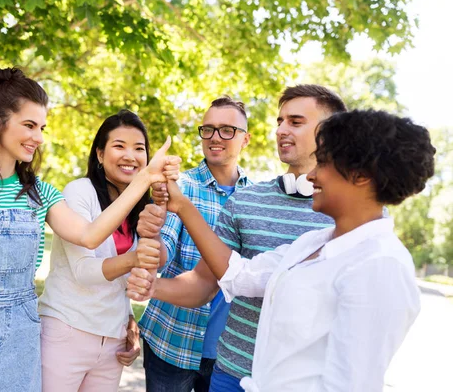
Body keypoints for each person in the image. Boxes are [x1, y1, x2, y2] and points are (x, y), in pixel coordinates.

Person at [0, 67, 179, 392]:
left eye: (42, 127)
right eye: (29, 125)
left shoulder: (40, 194)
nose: (39, 138)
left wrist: (145, 179)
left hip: (20, 349)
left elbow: (90, 234)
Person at [131, 109, 435, 391]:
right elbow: (239, 275)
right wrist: (181, 206)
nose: (312, 175)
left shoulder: (381, 266)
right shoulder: (312, 244)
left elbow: (348, 384)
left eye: (324, 162)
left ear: (361, 176)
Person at [135, 84, 345, 390]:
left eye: (295, 122)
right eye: (280, 121)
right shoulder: (245, 202)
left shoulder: (349, 211)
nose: (281, 130)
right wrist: (150, 266)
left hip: (301, 378)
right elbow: (204, 280)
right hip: (220, 365)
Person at [38, 109, 178, 391]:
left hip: (113, 343)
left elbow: (128, 279)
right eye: (119, 146)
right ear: (100, 155)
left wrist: (128, 322)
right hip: (66, 333)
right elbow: (84, 271)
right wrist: (134, 259)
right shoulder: (80, 192)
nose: (130, 155)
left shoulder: (140, 207)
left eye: (139, 148)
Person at [138, 96, 252, 392]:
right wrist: (152, 246)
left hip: (228, 354)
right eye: (208, 129)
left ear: (246, 139)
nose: (215, 137)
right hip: (172, 339)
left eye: (227, 130)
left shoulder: (254, 198)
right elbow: (164, 247)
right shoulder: (181, 187)